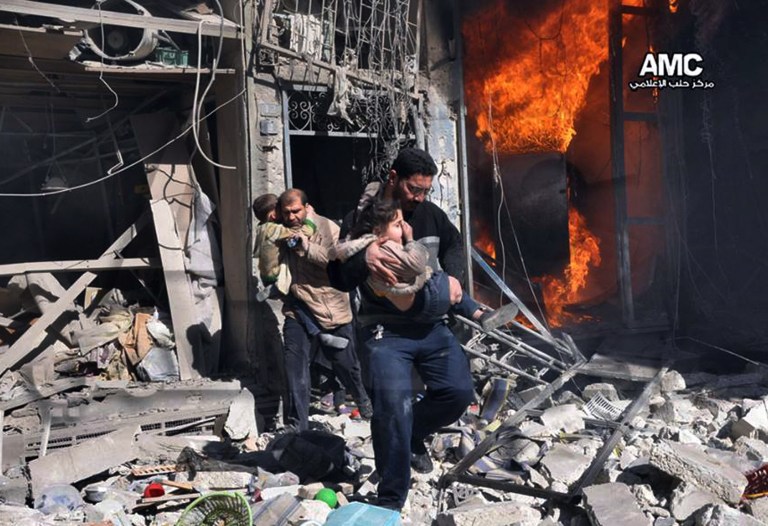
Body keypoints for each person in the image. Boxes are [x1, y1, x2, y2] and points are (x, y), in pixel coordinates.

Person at [328, 147, 475, 511]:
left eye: (425, 190)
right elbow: (338, 275)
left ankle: (411, 434)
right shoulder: (362, 218)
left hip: (431, 327)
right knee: (392, 406)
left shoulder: (430, 215)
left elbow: (454, 243)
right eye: (414, 189)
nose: (419, 198)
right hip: (385, 332)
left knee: (457, 393)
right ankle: (390, 499)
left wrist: (454, 277)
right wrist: (366, 257)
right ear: (394, 178)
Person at [278, 188, 372, 431]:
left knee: (346, 365)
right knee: (294, 367)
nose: (291, 217)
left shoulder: (328, 228)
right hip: (298, 308)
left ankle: (363, 401)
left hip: (331, 309)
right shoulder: (283, 229)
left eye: (295, 211)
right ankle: (297, 426)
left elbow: (336, 261)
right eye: (286, 213)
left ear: (307, 208)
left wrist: (306, 247)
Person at [332, 197, 506, 325]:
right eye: (398, 224)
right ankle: (478, 315)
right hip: (418, 297)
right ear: (379, 231)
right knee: (450, 284)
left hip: (408, 299)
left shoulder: (369, 246)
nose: (405, 227)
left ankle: (479, 315)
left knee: (450, 287)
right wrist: (411, 240)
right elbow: (416, 264)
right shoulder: (386, 249)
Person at [251, 193, 315, 301]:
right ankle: (275, 289)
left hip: (265, 273)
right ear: (273, 216)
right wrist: (309, 217)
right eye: (281, 210)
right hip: (276, 275)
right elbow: (304, 232)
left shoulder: (261, 227)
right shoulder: (275, 229)